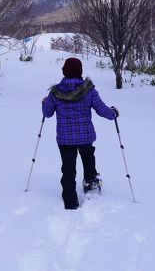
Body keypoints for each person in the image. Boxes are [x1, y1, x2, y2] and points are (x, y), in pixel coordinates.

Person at [41, 57, 118, 210]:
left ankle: (70, 201)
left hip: (65, 139)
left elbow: (47, 113)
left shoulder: (55, 92)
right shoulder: (89, 90)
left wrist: (44, 103)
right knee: (88, 159)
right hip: (85, 136)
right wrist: (114, 113)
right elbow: (102, 110)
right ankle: (90, 184)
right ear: (80, 72)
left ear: (64, 71)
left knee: (68, 168)